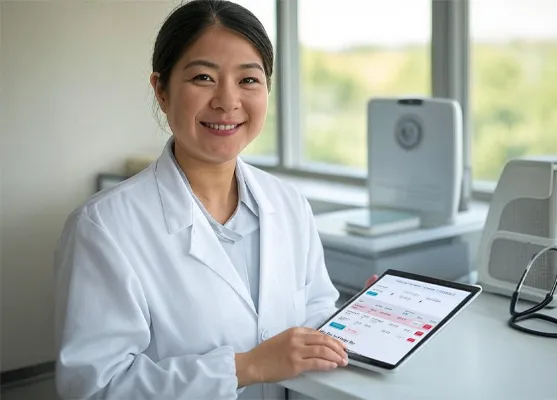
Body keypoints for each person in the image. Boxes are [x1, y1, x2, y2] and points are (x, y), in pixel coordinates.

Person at [53, 1, 376, 398]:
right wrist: (247, 366)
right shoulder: (104, 227)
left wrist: (360, 320)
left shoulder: (289, 205)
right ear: (161, 90)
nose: (227, 101)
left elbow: (313, 320)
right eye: (204, 77)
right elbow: (95, 388)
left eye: (248, 80)